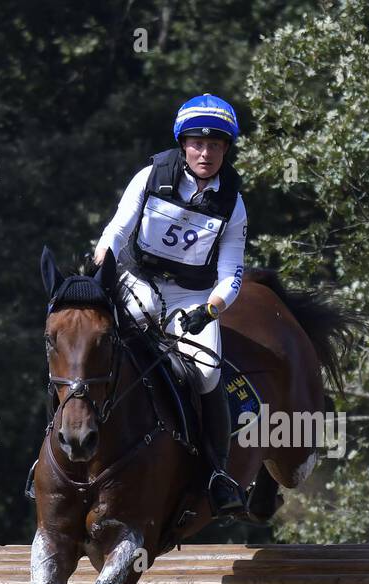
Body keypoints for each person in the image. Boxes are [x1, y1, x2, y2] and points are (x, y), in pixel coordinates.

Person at [93, 93, 247, 516]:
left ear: (225, 150)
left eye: (215, 145)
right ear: (183, 145)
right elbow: (118, 229)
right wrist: (100, 267)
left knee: (208, 370)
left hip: (192, 295)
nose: (206, 152)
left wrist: (211, 308)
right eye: (197, 143)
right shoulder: (150, 176)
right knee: (89, 347)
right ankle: (49, 455)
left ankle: (217, 472)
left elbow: (232, 269)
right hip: (136, 278)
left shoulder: (232, 201)